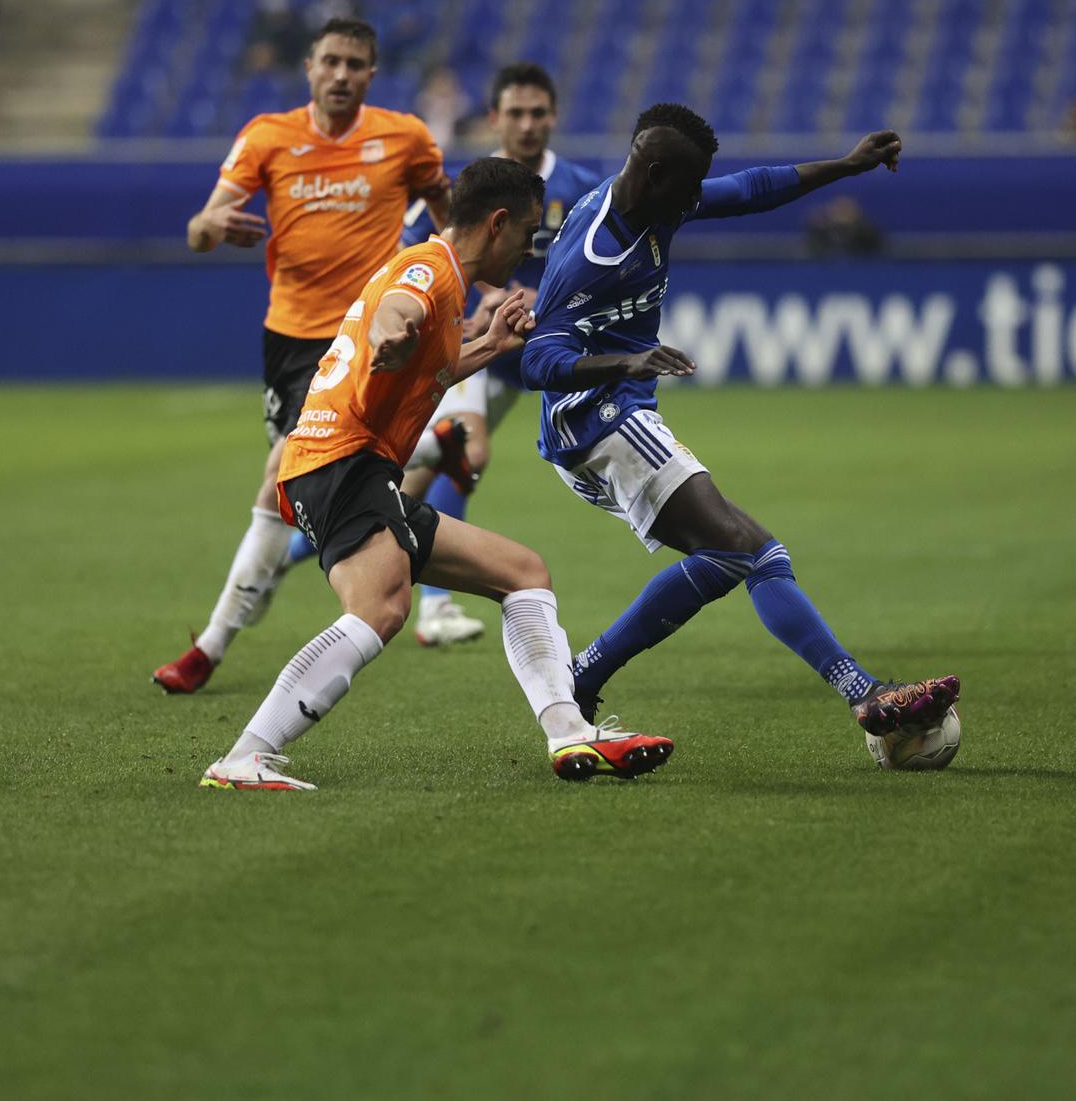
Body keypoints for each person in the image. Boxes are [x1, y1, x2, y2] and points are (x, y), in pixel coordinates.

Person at [198, 158, 674, 791]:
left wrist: (490, 346)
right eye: (529, 233)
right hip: (341, 462)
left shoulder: (446, 278)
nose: (530, 248)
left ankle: (568, 731)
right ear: (497, 223)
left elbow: (433, 371)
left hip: (342, 464)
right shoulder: (430, 270)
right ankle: (244, 758)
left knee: (522, 573)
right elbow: (400, 307)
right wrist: (391, 335)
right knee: (382, 607)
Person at [520, 104, 960, 738]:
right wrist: (630, 360)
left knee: (731, 557)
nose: (698, 196)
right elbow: (538, 357)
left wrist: (846, 165)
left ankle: (582, 679)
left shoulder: (655, 199)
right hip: (598, 422)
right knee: (753, 550)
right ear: (656, 172)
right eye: (691, 183)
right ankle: (865, 697)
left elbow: (749, 191)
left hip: (611, 417)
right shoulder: (595, 253)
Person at [152, 18, 452, 695]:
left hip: (368, 333)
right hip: (291, 340)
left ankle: (208, 646)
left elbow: (447, 211)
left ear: (372, 74)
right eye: (331, 61)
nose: (342, 74)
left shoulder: (405, 137)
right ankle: (435, 450)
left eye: (356, 64)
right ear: (309, 67)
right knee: (302, 491)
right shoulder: (268, 137)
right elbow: (200, 226)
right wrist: (211, 228)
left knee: (276, 476)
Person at [370, 63, 603, 648]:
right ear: (495, 118)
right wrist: (471, 300)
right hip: (471, 343)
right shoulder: (464, 189)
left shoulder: (580, 188)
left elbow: (599, 274)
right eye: (515, 114)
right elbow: (417, 257)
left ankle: (312, 540)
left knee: (417, 480)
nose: (527, 125)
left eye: (537, 113)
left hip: (541, 351)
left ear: (553, 117)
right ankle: (438, 606)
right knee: (467, 454)